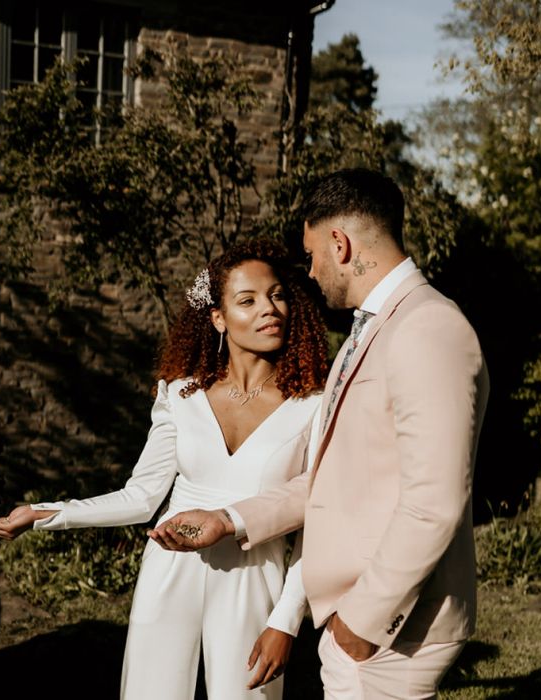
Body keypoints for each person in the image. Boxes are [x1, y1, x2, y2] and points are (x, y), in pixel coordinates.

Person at [150, 168, 490, 699]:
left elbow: (436, 502)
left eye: (311, 255)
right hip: (352, 621)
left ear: (341, 243)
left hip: (386, 631)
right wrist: (226, 519)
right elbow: (331, 478)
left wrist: (362, 621)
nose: (309, 272)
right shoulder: (375, 328)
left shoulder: (427, 328)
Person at [0, 238, 328, 699]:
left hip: (253, 574)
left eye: (277, 295)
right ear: (218, 318)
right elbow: (140, 497)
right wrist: (42, 514)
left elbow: (315, 516)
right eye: (248, 300)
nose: (270, 309)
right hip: (169, 568)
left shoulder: (314, 406)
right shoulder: (180, 395)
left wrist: (285, 621)